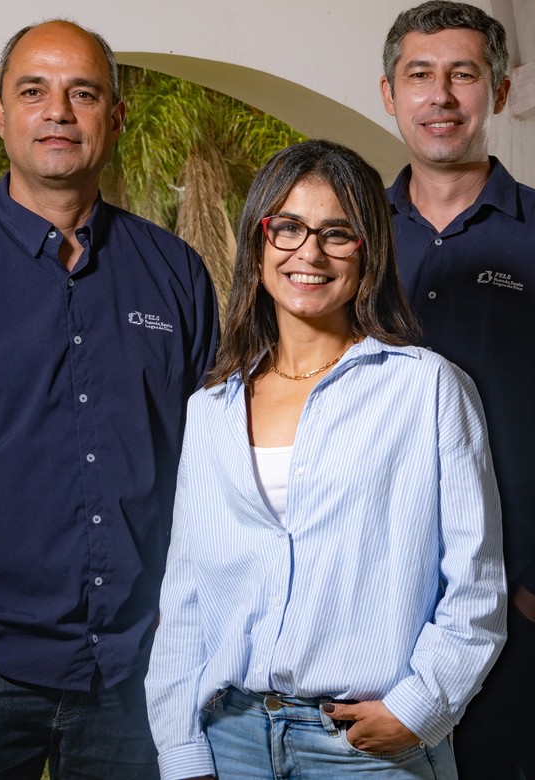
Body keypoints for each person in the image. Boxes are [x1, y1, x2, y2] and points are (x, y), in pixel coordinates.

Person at [0, 20, 217, 779]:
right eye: (34, 91)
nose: (58, 111)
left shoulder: (175, 275)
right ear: (0, 112)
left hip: (136, 667)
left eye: (82, 93)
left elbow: (207, 465)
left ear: (114, 117)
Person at [144, 139, 507, 780]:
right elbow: (186, 595)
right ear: (259, 244)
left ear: (368, 252)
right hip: (231, 740)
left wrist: (421, 708)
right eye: (287, 227)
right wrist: (180, 747)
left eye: (336, 233)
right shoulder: (213, 409)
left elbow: (475, 583)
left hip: (365, 748)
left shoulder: (425, 389)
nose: (308, 252)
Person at [379, 3, 535, 777]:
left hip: (509, 610)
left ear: (501, 91)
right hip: (369, 609)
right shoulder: (351, 239)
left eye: (464, 74)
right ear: (389, 94)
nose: (441, 95)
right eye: (420, 75)